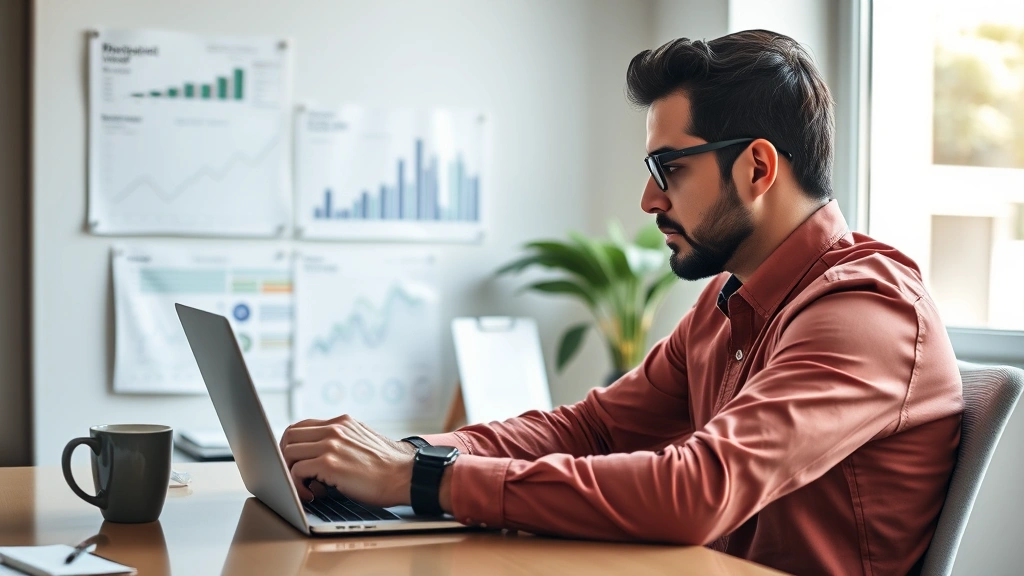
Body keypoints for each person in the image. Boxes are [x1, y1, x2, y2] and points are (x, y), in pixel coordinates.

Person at [280, 30, 962, 575]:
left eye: (671, 169)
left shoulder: (866, 310)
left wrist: (423, 478)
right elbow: (593, 430)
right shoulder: (729, 303)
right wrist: (398, 454)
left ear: (757, 167)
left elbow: (697, 491)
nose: (649, 200)